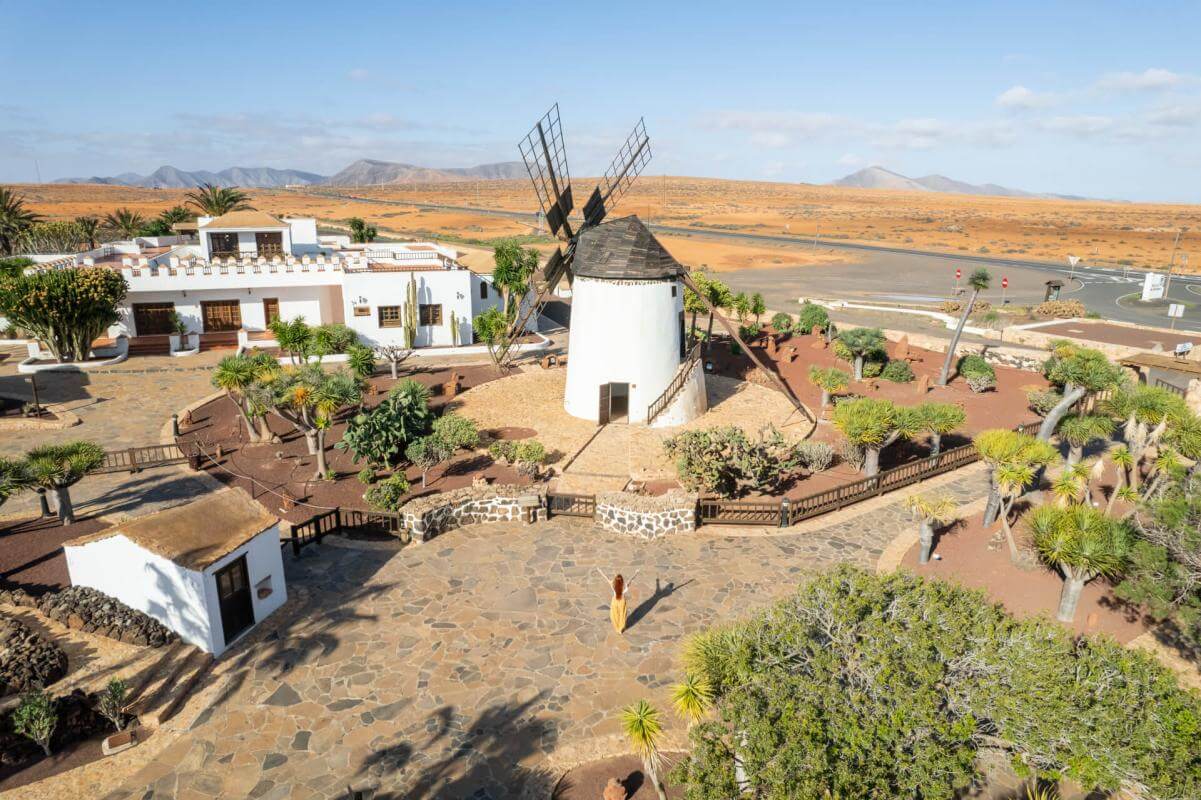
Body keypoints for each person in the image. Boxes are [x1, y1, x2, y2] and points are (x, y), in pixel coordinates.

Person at [598, 568, 638, 634]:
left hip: (615, 601)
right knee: (622, 615)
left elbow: (606, 577)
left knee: (614, 614)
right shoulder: (625, 586)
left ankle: (617, 627)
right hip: (622, 602)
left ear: (615, 581)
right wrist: (636, 573)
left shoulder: (613, 585)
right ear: (622, 581)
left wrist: (600, 571)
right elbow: (631, 579)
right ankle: (621, 628)